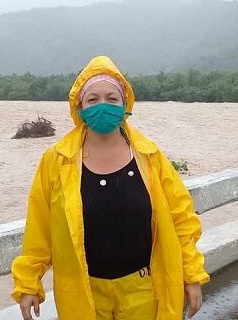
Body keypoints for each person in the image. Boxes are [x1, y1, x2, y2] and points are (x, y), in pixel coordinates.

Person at [11, 55, 210, 320]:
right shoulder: (57, 161)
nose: (102, 105)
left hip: (144, 289)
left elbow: (181, 219)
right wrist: (28, 283)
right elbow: (40, 227)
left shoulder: (149, 157)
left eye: (111, 98)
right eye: (93, 99)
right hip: (83, 291)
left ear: (125, 104)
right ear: (79, 106)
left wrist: (192, 274)